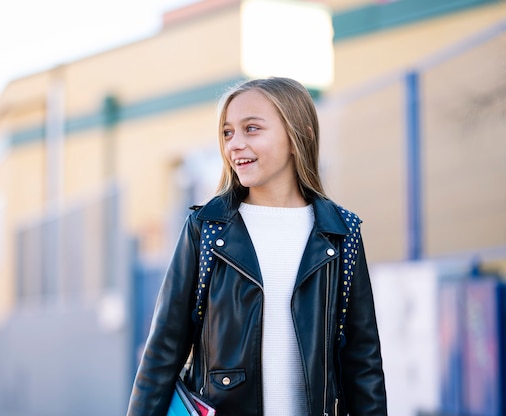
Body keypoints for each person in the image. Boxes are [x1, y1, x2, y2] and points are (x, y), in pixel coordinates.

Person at [127, 77, 387, 415]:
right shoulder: (205, 229)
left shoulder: (341, 233)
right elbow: (161, 353)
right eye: (227, 132)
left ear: (300, 136)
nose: (234, 144)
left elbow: (362, 362)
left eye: (251, 129)